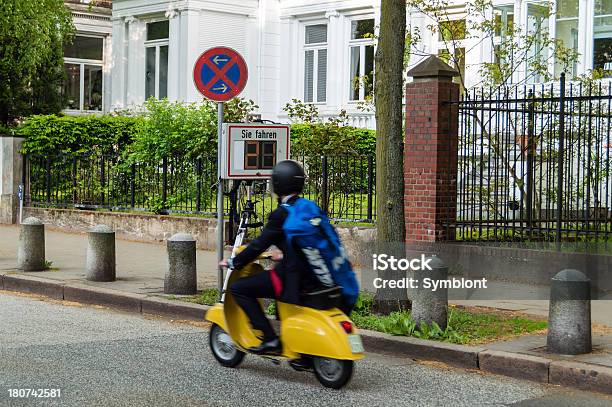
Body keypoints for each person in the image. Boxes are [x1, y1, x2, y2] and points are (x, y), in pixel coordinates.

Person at [219, 160, 320, 355]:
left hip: (292, 278)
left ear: (278, 185)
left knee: (239, 288)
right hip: (316, 275)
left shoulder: (280, 214)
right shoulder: (308, 207)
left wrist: (234, 262)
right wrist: (283, 252)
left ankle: (270, 338)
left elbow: (259, 244)